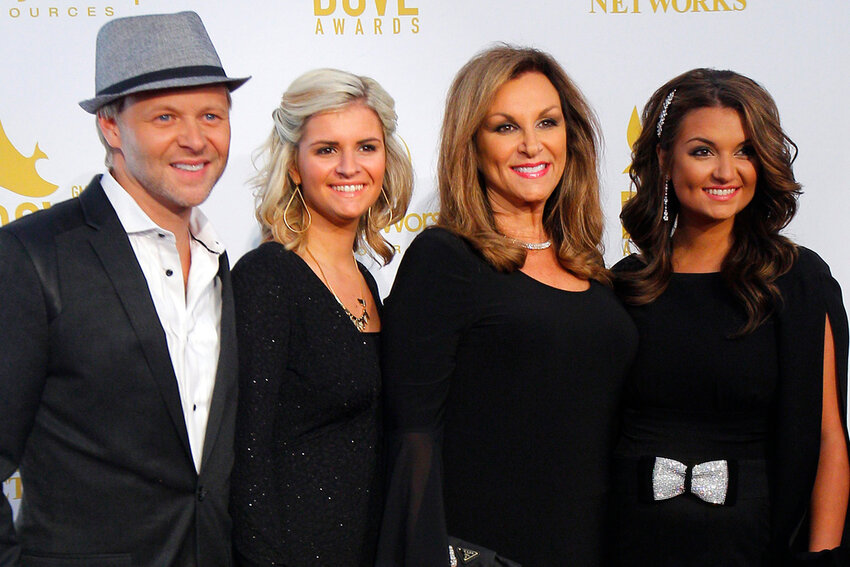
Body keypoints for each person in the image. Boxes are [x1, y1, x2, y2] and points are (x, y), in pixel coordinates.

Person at [0, 11, 248, 566]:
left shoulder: (221, 262)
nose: (195, 139)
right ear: (111, 127)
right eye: (165, 116)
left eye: (212, 114)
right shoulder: (32, 254)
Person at [375, 45, 638, 567]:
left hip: (591, 544)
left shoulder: (590, 266)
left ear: (572, 136)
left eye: (547, 122)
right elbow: (412, 436)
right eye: (505, 127)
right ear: (470, 143)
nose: (532, 145)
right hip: (486, 551)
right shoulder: (445, 258)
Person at [612, 68, 850, 565]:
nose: (726, 172)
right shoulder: (621, 286)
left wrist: (822, 557)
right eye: (703, 151)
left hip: (756, 547)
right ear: (664, 160)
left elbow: (829, 437)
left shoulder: (798, 279)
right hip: (630, 544)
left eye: (744, 151)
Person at [229, 68, 412, 566]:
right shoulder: (267, 277)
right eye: (327, 149)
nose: (350, 166)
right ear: (294, 166)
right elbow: (246, 454)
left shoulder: (366, 281)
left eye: (366, 147)